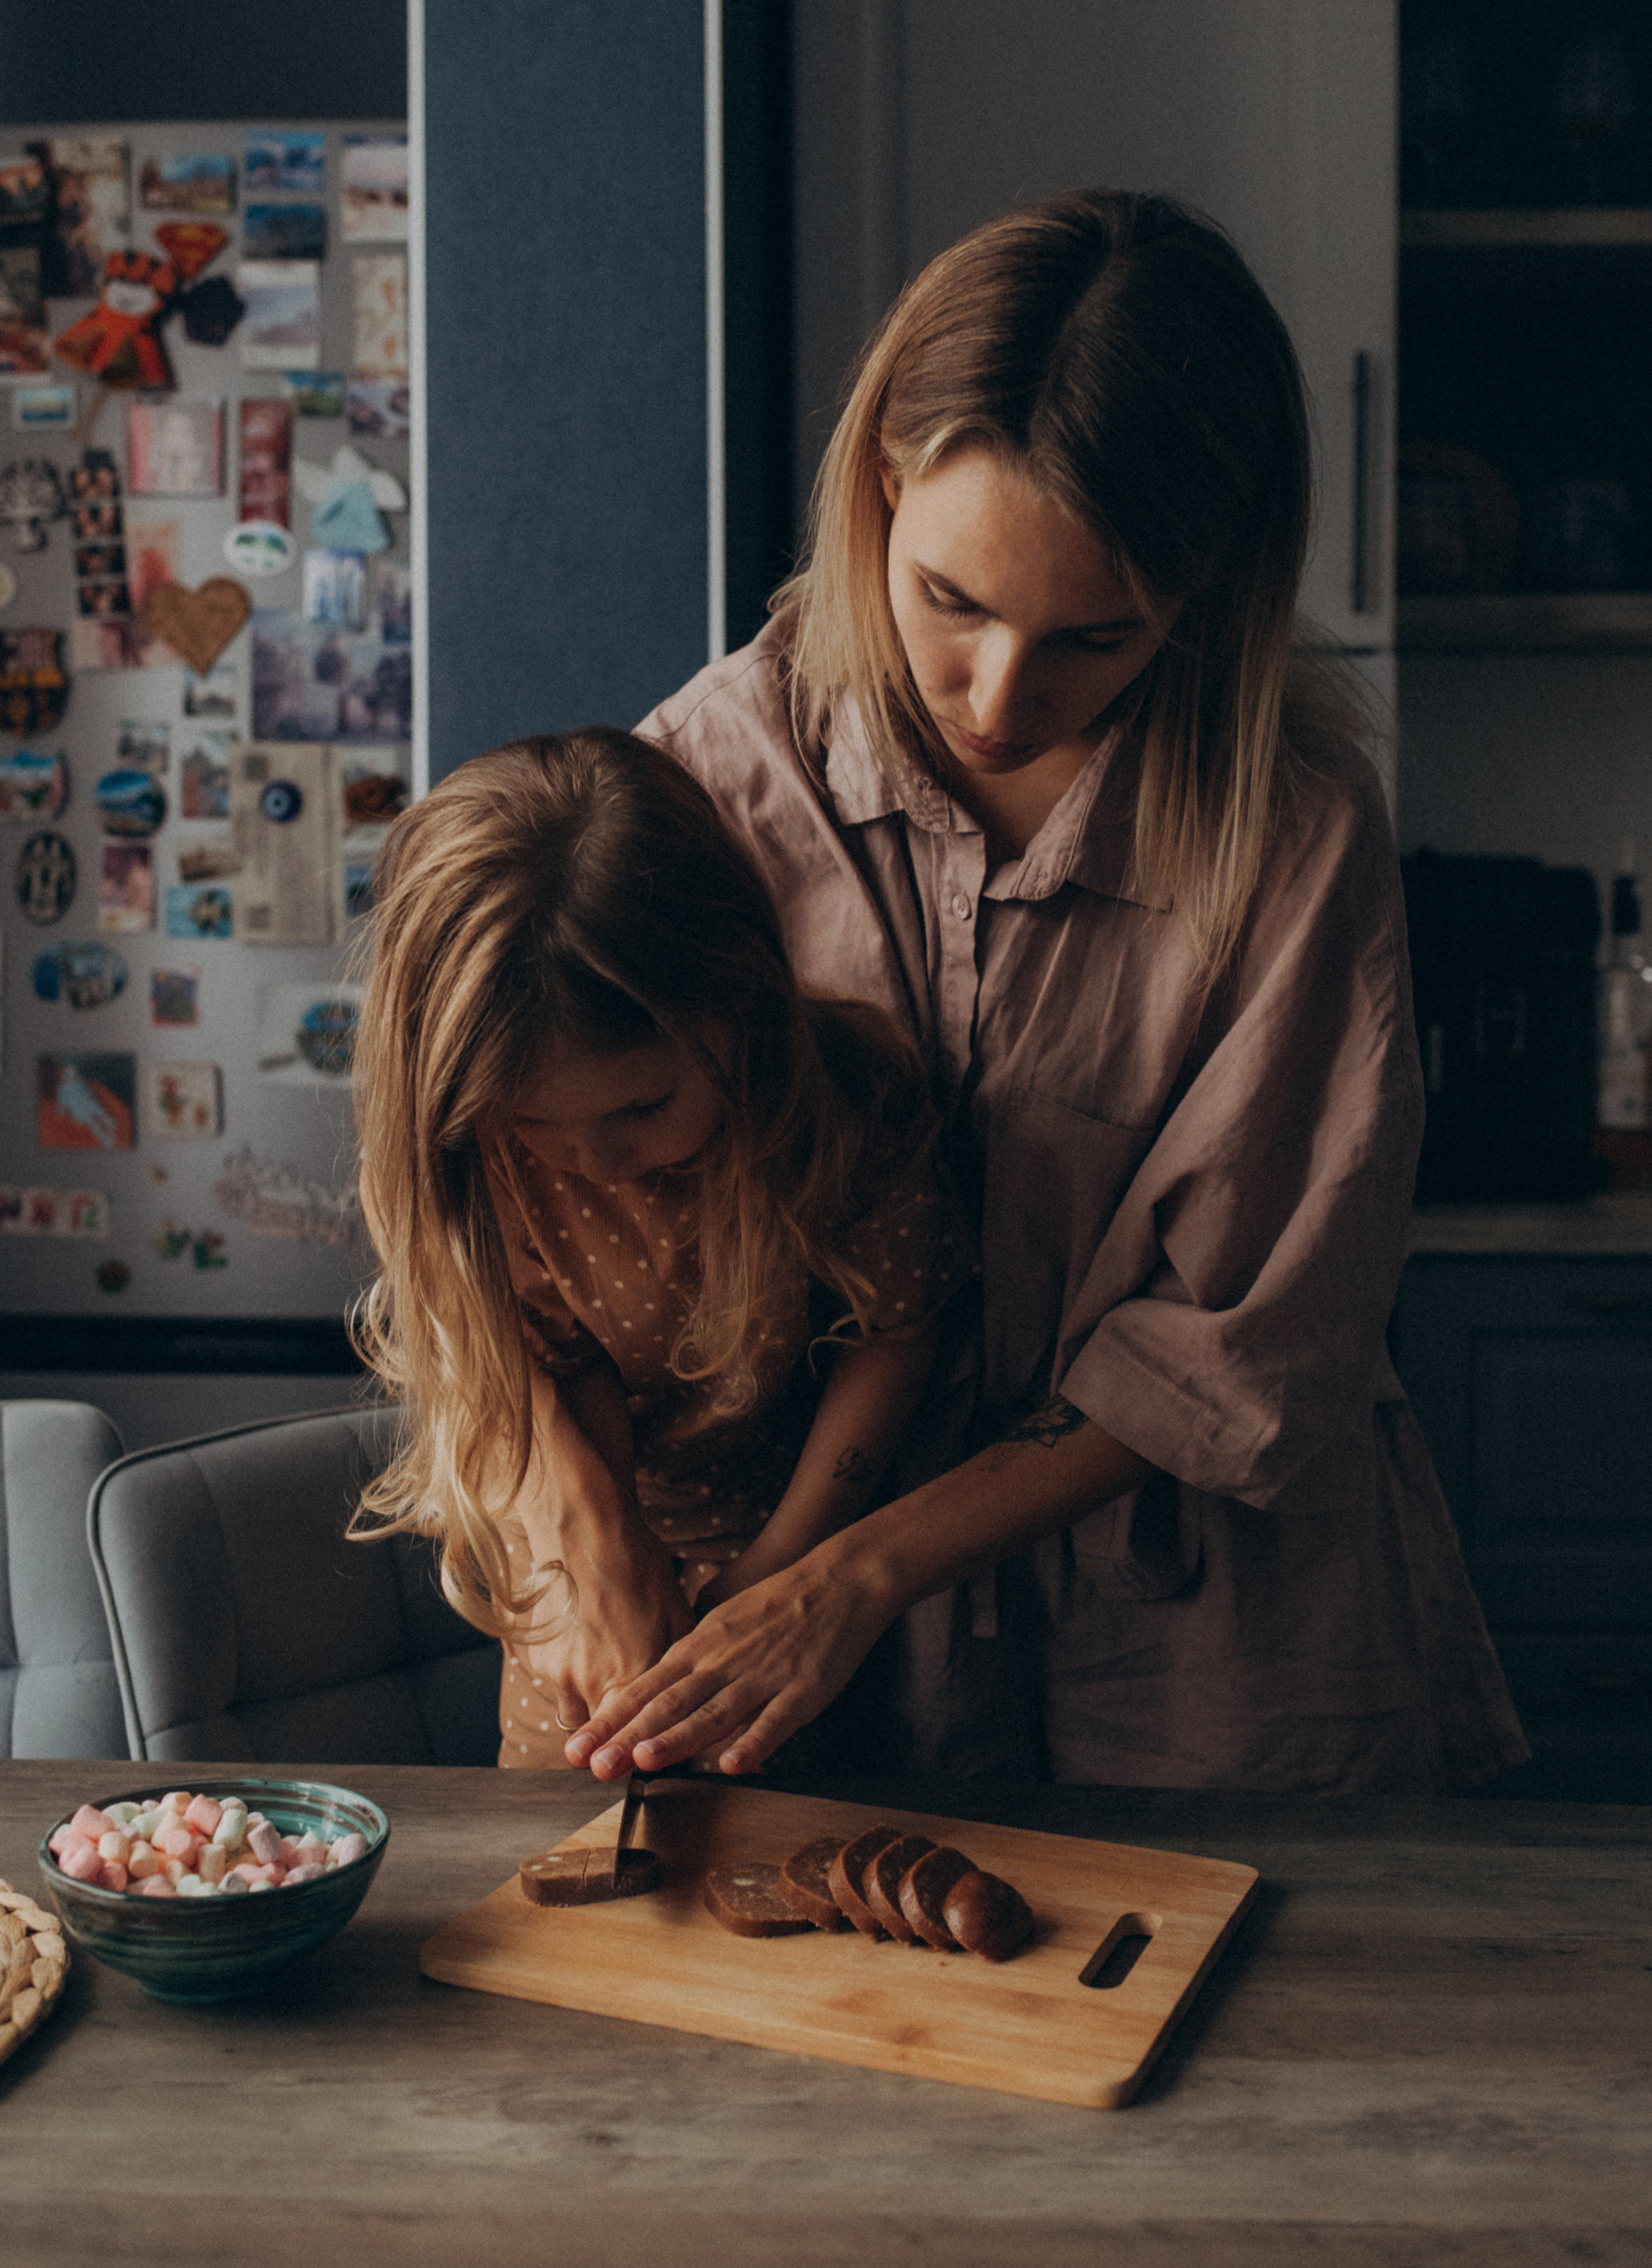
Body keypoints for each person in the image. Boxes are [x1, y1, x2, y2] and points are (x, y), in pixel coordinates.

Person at [562, 187, 1528, 1796]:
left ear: (1204, 593)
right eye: (950, 601)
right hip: (789, 1610)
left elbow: (1244, 1340)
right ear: (881, 485)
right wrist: (603, 1534)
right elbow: (532, 1209)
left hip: (1217, 1625)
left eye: (1093, 635)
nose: (998, 696)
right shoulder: (707, 784)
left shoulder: (1291, 836)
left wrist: (862, 1576)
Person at [348, 728, 968, 1765]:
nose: (591, 1159)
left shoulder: (852, 1099)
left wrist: (780, 1561)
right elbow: (536, 1374)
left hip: (800, 1548)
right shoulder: (458, 1150)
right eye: (532, 1123)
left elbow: (895, 1332)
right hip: (564, 1542)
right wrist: (591, 1543)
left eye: (642, 1106)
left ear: (742, 1005)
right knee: (574, 1852)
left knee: (809, 1858)